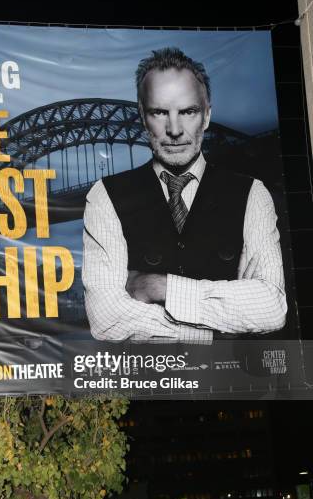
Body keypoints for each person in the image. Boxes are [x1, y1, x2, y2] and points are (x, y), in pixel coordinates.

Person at [82, 47, 287, 344]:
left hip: (236, 387)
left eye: (188, 112)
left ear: (206, 116)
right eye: (159, 112)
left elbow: (270, 308)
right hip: (153, 386)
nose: (174, 129)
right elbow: (106, 320)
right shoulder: (105, 196)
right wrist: (214, 331)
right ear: (142, 117)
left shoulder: (252, 193)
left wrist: (159, 286)